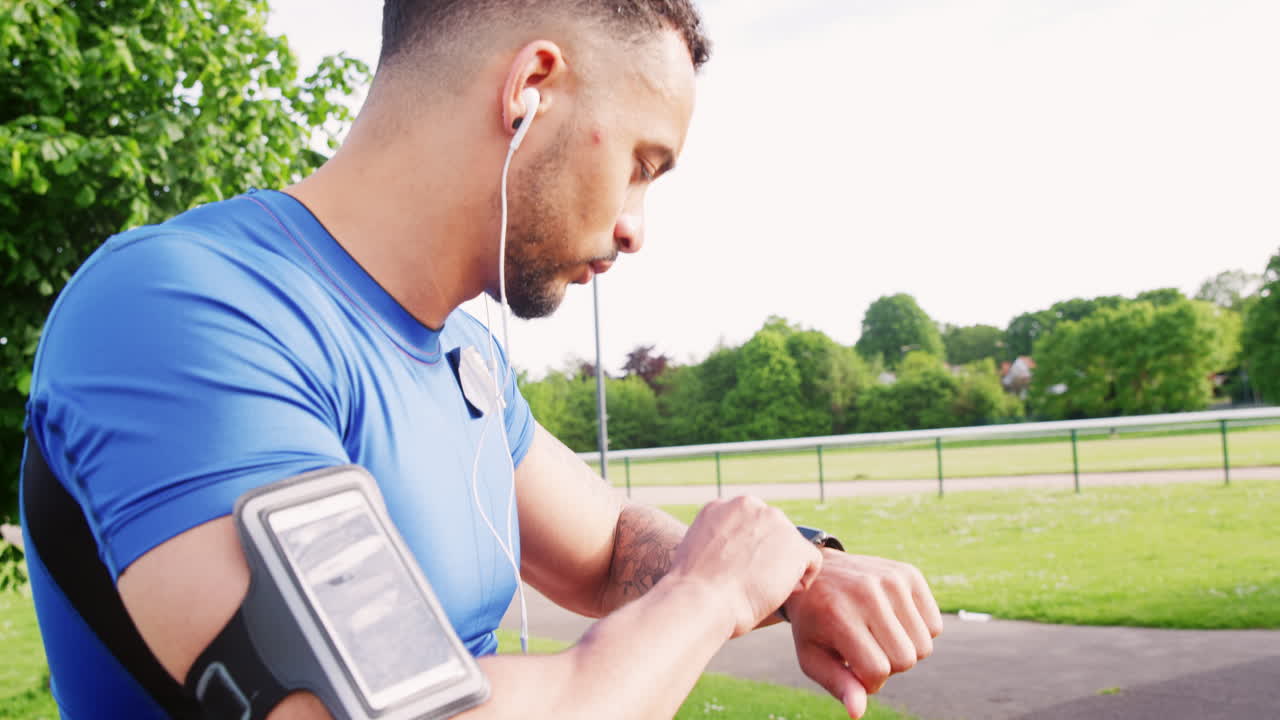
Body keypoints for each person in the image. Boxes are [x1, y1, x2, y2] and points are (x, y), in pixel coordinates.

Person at [20, 1, 943, 718]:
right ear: (530, 86)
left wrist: (798, 575)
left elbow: (608, 552)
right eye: (640, 163)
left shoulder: (465, 355)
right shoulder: (184, 309)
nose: (636, 227)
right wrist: (712, 593)